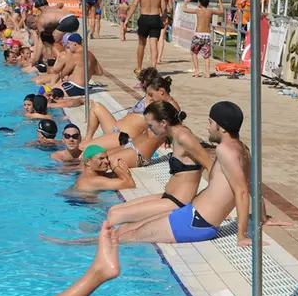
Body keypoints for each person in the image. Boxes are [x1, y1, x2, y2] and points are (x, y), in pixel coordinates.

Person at [42, 102, 255, 247]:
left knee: (130, 235)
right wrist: (260, 216)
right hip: (192, 213)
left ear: (221, 126)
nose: (207, 126)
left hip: (196, 221)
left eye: (210, 122)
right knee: (128, 229)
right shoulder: (241, 149)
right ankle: (78, 240)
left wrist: (242, 235)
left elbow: (242, 191)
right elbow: (248, 184)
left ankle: (74, 244)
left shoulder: (223, 150)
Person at [106, 101, 210, 226]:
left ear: (163, 123)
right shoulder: (175, 134)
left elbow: (210, 166)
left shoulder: (183, 137)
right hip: (169, 196)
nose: (149, 129)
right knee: (113, 210)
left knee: (115, 216)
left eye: (150, 125)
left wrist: (212, 203)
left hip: (178, 202)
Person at [80, 74, 179, 152]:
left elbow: (175, 127)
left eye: (151, 94)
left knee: (83, 147)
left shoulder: (171, 107)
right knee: (96, 106)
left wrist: (166, 139)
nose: (150, 97)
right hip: (114, 127)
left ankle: (87, 145)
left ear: (161, 91)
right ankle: (88, 138)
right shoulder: (154, 99)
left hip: (124, 137)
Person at [183, 0, 223, 78]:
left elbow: (184, 9)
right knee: (206, 56)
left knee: (194, 53)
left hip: (198, 35)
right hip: (207, 35)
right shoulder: (210, 11)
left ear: (200, 3)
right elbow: (221, 11)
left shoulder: (198, 11)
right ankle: (207, 73)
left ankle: (197, 71)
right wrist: (219, 1)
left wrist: (186, 2)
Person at [70, 147, 136, 193]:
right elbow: (130, 184)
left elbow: (112, 177)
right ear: (88, 162)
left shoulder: (90, 176)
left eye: (107, 158)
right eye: (101, 158)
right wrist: (116, 167)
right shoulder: (93, 180)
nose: (107, 161)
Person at [128, 0, 166, 75]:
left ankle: (139, 68)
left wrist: (127, 19)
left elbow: (134, 5)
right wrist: (164, 18)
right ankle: (153, 69)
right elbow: (164, 7)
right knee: (154, 45)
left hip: (144, 18)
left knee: (141, 44)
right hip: (155, 17)